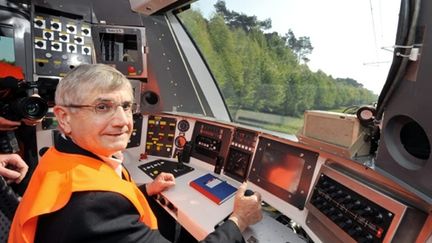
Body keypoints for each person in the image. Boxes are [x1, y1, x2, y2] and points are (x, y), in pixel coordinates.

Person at [8, 64, 262, 243]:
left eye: (126, 106)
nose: (122, 121)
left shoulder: (60, 156)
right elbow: (99, 208)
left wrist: (144, 191)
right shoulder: (94, 205)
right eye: (102, 107)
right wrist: (239, 220)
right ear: (64, 119)